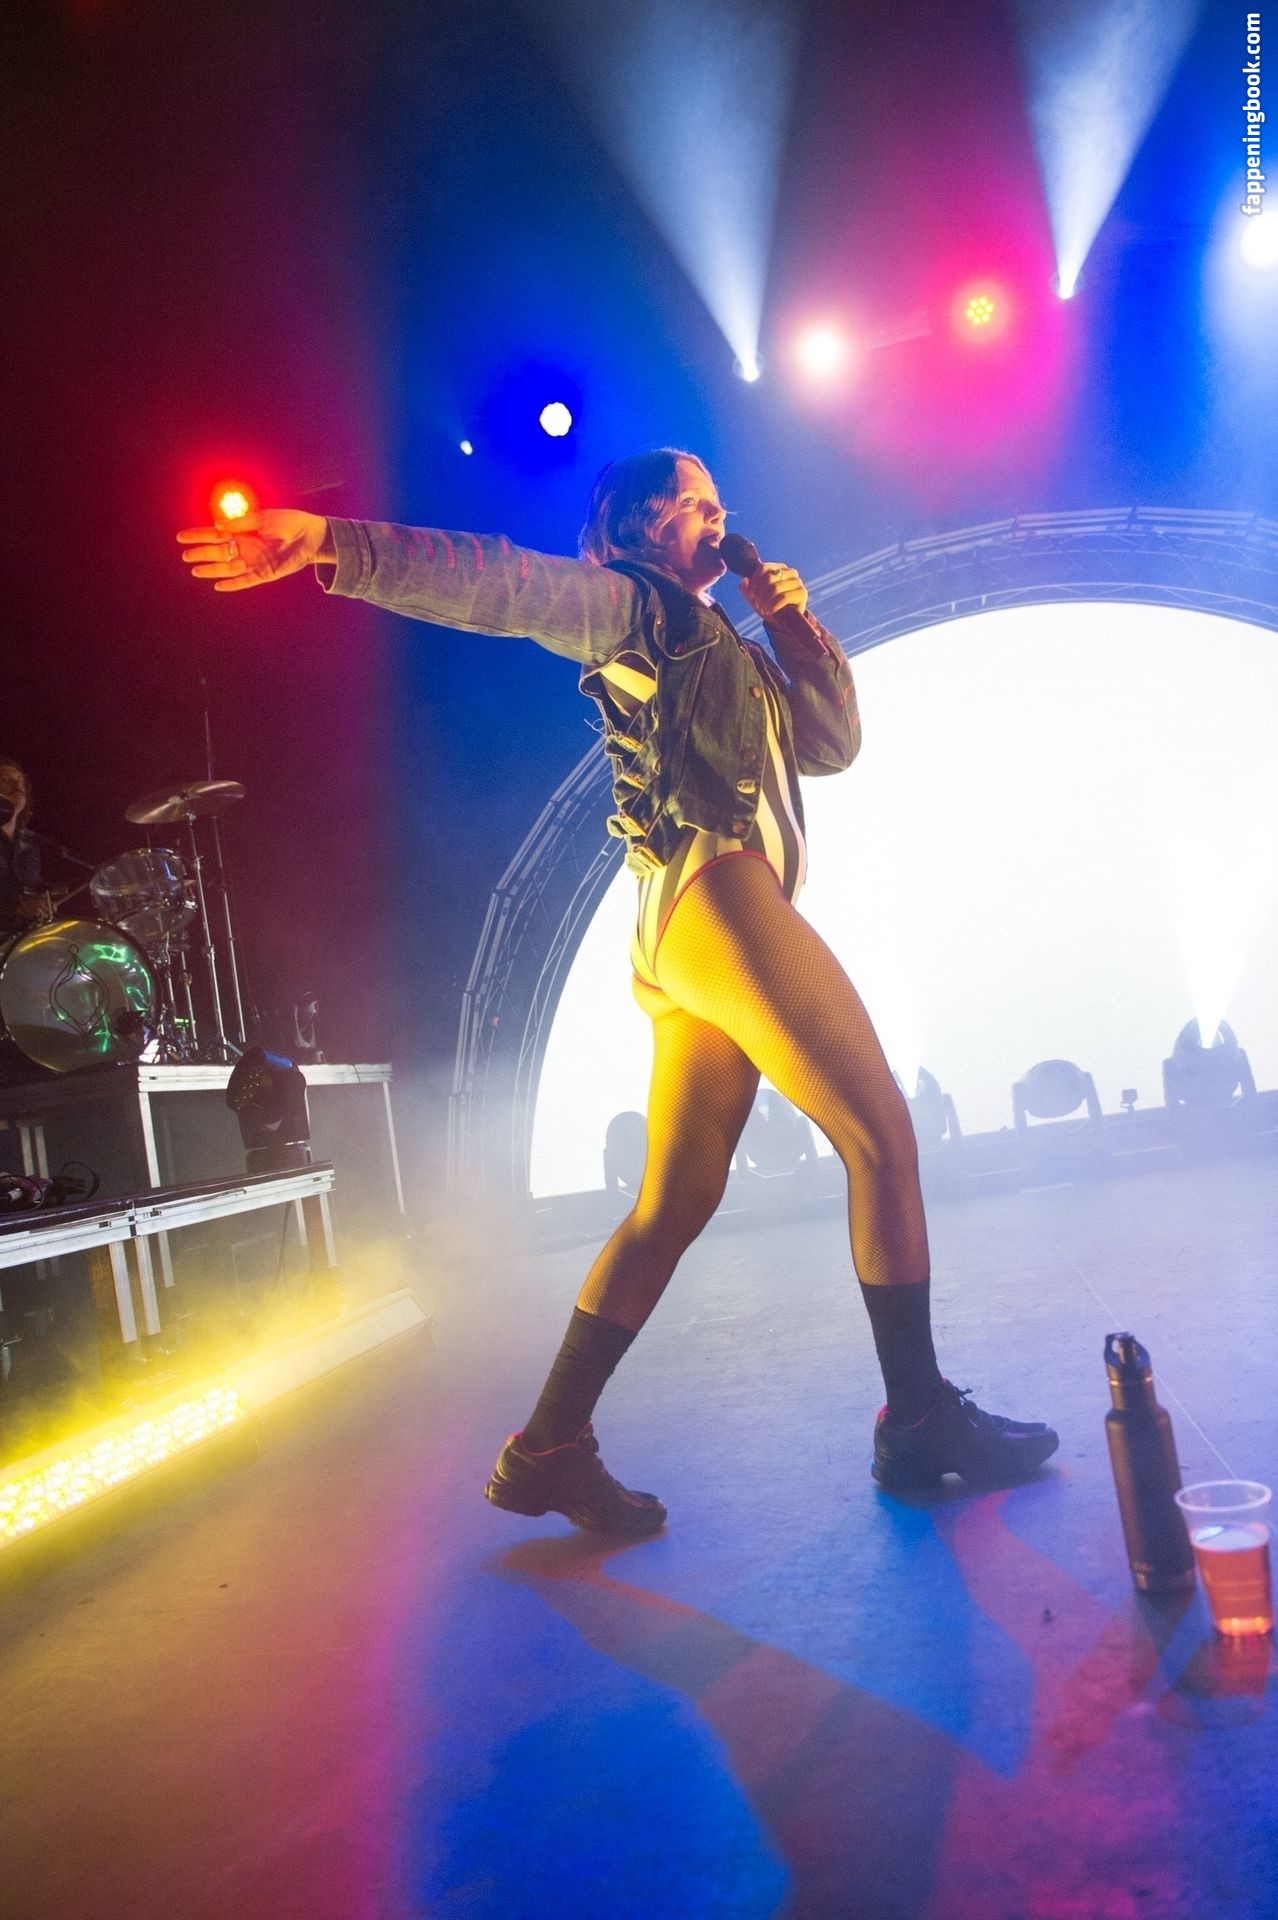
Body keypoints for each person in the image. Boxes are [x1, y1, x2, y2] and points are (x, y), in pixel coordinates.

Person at [178, 450, 1058, 1533]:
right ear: (639, 526)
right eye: (694, 504)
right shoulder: (635, 606)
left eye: (721, 505)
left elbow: (833, 745)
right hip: (718, 894)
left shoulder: (731, 641)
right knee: (882, 1139)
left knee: (673, 1205)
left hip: (685, 926)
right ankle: (919, 1419)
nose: (717, 519)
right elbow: (502, 585)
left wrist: (790, 620)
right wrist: (331, 544)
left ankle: (548, 1448)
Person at [0, 759, 44, 940]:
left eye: (20, 780)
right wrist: (16, 909)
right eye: (5, 779)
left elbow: (34, 892)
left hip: (24, 941)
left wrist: (43, 904)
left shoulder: (29, 845)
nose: (17, 785)